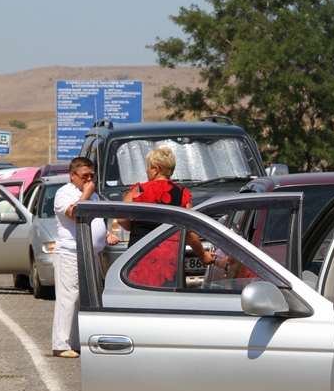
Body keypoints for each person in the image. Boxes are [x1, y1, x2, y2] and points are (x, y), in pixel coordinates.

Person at [52, 157, 119, 358]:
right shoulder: (64, 193)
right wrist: (88, 194)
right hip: (70, 253)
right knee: (69, 298)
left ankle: (79, 341)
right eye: (85, 176)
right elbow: (74, 213)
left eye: (92, 176)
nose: (89, 180)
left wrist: (106, 234)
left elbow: (95, 220)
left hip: (91, 254)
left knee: (86, 298)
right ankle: (61, 343)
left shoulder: (94, 195)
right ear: (73, 176)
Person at [116, 147, 216, 265]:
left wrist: (134, 227)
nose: (146, 171)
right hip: (169, 257)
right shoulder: (182, 194)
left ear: (156, 170)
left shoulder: (138, 190)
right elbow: (191, 231)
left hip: (139, 253)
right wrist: (202, 255)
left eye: (148, 167)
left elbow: (122, 219)